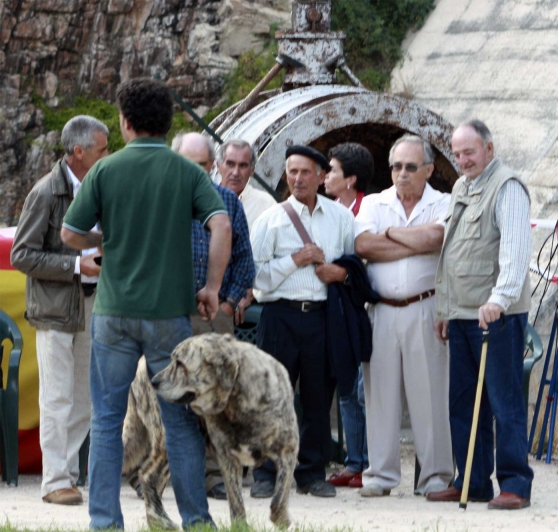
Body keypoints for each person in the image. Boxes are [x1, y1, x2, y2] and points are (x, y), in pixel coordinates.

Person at [60, 78, 232, 529]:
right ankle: (196, 519)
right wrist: (212, 288)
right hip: (168, 316)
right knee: (178, 424)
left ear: (125, 122)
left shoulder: (105, 170)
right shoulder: (188, 172)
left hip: (113, 312)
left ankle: (105, 522)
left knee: (106, 421)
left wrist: (108, 237)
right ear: (167, 122)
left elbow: (70, 234)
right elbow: (221, 226)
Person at [429, 120, 534, 510]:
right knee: (462, 402)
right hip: (461, 314)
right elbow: (453, 252)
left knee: (503, 402)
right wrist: (446, 309)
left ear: (489, 148)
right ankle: (471, 481)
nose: (462, 160)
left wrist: (501, 298)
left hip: (496, 315)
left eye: (469, 152)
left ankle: (515, 485)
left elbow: (516, 249)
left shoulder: (507, 187)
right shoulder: (461, 187)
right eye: (456, 154)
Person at [11, 116, 108, 506]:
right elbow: (22, 255)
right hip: (54, 309)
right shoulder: (45, 192)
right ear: (79, 152)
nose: (108, 154)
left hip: (93, 302)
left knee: (83, 396)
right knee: (56, 398)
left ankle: (66, 476)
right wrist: (75, 266)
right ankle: (54, 482)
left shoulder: (100, 186)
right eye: (102, 149)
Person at [249, 145, 354, 499]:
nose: (297, 179)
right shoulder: (272, 218)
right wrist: (295, 259)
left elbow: (355, 265)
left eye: (305, 172)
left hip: (322, 318)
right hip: (280, 317)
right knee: (271, 398)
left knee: (318, 399)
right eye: (292, 172)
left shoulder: (341, 219)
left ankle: (311, 473)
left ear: (322, 177)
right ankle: (265, 474)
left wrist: (338, 272)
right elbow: (257, 278)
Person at [354, 135, 454, 497]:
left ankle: (435, 477)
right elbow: (363, 245)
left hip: (426, 308)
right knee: (379, 396)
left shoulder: (443, 202)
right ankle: (380, 476)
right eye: (396, 166)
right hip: (380, 309)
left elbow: (436, 237)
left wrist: (392, 234)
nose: (402, 173)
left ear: (428, 169)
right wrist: (414, 241)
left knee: (430, 395)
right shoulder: (375, 202)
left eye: (411, 167)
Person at [172, 131, 255, 500]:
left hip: (213, 318)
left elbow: (244, 262)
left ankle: (215, 475)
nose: (198, 173)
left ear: (212, 167)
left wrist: (226, 303)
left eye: (204, 166)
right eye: (190, 166)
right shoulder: (161, 198)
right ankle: (157, 476)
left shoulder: (226, 201)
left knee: (216, 401)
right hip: (166, 314)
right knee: (167, 396)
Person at [323, 142, 374, 488]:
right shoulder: (326, 211)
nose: (325, 177)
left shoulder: (366, 212)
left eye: (332, 171)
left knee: (361, 389)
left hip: (363, 310)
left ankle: (367, 462)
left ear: (351, 179)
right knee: (346, 386)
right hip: (335, 310)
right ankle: (353, 462)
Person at [216, 139, 277, 324]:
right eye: (230, 164)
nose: (235, 172)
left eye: (243, 166)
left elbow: (274, 258)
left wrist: (249, 291)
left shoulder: (266, 206)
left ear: (252, 170)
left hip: (248, 310)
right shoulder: (201, 198)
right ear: (218, 166)